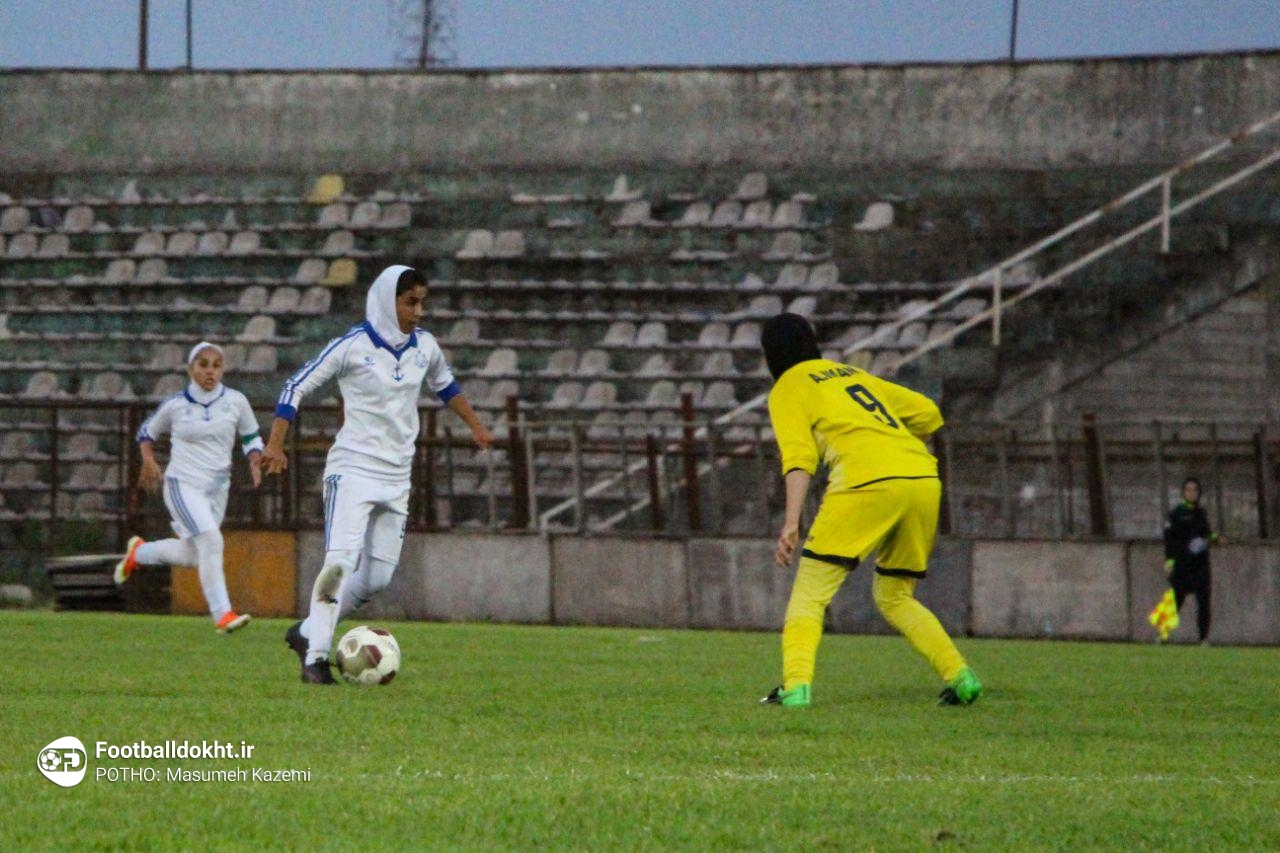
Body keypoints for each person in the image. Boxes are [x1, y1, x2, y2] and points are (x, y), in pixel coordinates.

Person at [262, 265, 495, 684]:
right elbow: (295, 386)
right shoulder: (352, 345)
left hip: (396, 476)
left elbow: (446, 386)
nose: (419, 311)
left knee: (378, 578)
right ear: (388, 301)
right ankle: (315, 660)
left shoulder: (424, 346)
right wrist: (275, 443)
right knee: (341, 560)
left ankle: (306, 630)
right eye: (410, 302)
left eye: (422, 301)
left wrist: (475, 426)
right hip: (352, 469)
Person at [758, 313, 981, 707]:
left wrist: (791, 522)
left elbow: (798, 458)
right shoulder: (848, 373)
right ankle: (961, 677)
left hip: (865, 483)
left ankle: (794, 688)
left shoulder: (788, 386)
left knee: (810, 593)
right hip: (921, 479)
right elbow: (928, 413)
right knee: (895, 595)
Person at [114, 342, 263, 634]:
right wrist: (148, 459)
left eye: (216, 365)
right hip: (182, 485)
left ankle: (140, 553)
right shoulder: (176, 405)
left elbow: (251, 435)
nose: (209, 371)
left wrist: (255, 458)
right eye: (203, 364)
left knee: (193, 555)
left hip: (217, 489)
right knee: (212, 540)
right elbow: (147, 432)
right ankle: (223, 615)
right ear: (190, 369)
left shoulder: (236, 401)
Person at [1162, 476, 1218, 644]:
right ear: (1183, 492)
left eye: (1195, 490)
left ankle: (1203, 638)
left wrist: (1216, 538)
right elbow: (1169, 540)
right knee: (1175, 600)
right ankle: (1163, 633)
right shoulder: (1176, 514)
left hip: (1200, 565)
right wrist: (1169, 562)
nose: (1192, 493)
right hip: (1182, 565)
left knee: (1203, 602)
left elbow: (1207, 534)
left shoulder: (1201, 513)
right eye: (1188, 490)